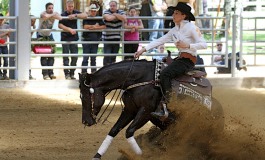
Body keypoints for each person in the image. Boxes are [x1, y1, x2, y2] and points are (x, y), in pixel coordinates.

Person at [134, 2, 207, 119]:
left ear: (184, 16)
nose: (173, 15)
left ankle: (170, 104)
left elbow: (204, 44)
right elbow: (160, 40)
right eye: (173, 13)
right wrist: (143, 50)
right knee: (158, 72)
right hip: (180, 59)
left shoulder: (192, 27)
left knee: (165, 74)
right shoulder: (174, 30)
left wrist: (188, 46)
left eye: (176, 13)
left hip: (187, 61)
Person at [58, 0, 87, 80]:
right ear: (66, 7)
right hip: (65, 38)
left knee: (75, 57)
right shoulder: (63, 14)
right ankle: (67, 74)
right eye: (69, 6)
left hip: (74, 38)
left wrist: (76, 15)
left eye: (72, 6)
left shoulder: (75, 12)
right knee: (66, 57)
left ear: (73, 7)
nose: (70, 8)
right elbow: (60, 25)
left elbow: (85, 15)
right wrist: (69, 29)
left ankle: (72, 73)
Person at [37, 2, 62, 80]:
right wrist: (52, 15)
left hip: (49, 35)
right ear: (46, 9)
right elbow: (45, 17)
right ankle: (45, 74)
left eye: (52, 8)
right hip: (41, 35)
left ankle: (51, 73)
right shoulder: (42, 13)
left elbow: (60, 18)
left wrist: (53, 14)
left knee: (51, 54)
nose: (51, 9)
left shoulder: (54, 13)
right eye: (49, 8)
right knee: (44, 55)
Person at [81, 4, 106, 73]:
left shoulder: (99, 18)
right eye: (92, 11)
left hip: (95, 41)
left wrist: (94, 27)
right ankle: (84, 74)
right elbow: (85, 26)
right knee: (85, 58)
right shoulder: (86, 18)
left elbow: (104, 26)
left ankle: (93, 73)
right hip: (86, 40)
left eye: (94, 11)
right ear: (89, 11)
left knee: (93, 58)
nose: (93, 12)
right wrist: (95, 26)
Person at [102, 1, 126, 66]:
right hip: (107, 38)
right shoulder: (106, 11)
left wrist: (114, 15)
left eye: (114, 6)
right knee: (107, 56)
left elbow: (124, 18)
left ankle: (112, 73)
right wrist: (117, 16)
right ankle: (105, 72)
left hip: (116, 38)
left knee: (113, 57)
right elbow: (108, 18)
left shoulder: (121, 11)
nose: (112, 7)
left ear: (116, 6)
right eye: (111, 6)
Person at [0, 13, 10, 80]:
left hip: (4, 45)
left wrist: (8, 32)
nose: (0, 21)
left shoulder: (6, 26)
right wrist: (6, 33)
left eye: (1, 19)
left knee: (6, 60)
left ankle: (5, 74)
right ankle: (0, 74)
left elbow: (9, 35)